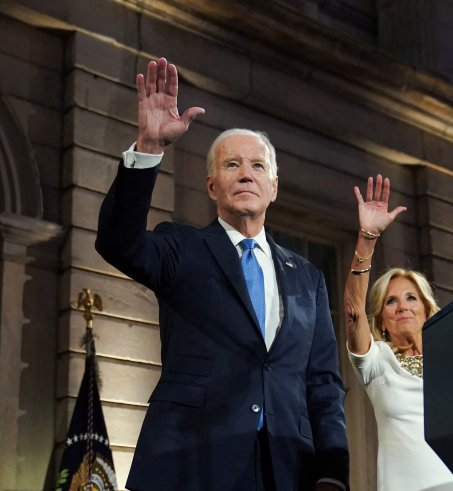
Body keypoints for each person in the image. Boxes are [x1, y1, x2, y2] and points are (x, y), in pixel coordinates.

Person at [95, 57, 348, 491]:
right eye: (232, 165)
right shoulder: (182, 247)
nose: (246, 174)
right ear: (212, 186)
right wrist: (150, 146)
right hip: (191, 462)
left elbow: (323, 384)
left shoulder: (307, 278)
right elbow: (118, 242)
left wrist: (333, 471)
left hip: (286, 468)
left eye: (257, 166)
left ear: (273, 187)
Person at [343, 176, 453, 491]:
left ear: (426, 309)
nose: (402, 307)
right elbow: (354, 312)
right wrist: (367, 238)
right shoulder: (377, 362)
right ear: (381, 320)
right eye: (390, 301)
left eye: (411, 298)